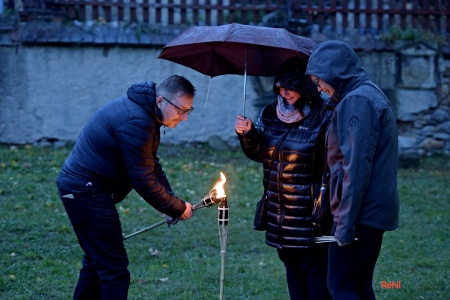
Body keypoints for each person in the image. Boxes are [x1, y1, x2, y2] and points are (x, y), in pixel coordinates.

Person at [56, 75, 196, 299]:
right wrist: (178, 207)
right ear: (161, 101)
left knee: (97, 262)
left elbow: (150, 164)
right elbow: (143, 179)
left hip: (86, 189)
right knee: (114, 268)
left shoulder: (146, 115)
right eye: (181, 110)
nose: (185, 117)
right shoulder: (137, 121)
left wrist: (170, 202)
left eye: (189, 110)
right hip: (85, 191)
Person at [305, 40, 400, 299]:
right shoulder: (363, 94)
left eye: (319, 81)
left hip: (359, 213)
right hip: (370, 211)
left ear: (334, 72)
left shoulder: (357, 101)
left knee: (341, 287)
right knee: (358, 285)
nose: (320, 89)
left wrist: (344, 226)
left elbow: (355, 169)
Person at [235, 57, 332, 300]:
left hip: (310, 213)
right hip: (279, 209)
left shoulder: (323, 115)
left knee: (314, 268)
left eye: (290, 86)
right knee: (291, 264)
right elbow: (261, 154)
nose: (283, 92)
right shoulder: (270, 112)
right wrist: (249, 135)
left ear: (305, 87)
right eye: (279, 86)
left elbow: (333, 161)